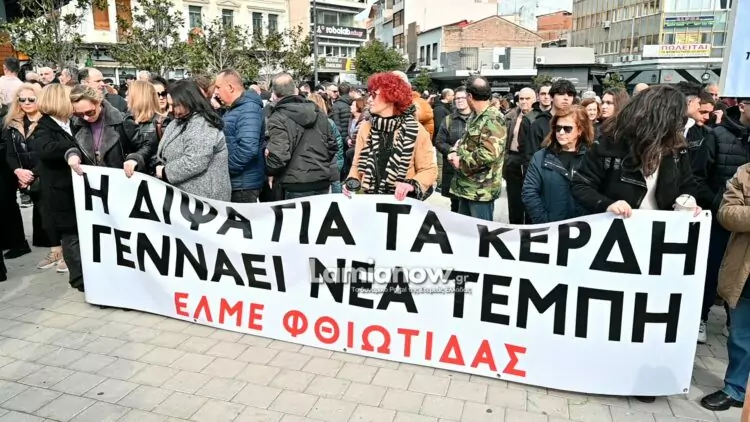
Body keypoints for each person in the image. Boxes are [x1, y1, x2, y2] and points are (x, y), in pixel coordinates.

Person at [571, 84, 700, 219]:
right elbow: (581, 185)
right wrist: (607, 204)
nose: (678, 125)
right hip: (618, 226)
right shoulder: (609, 144)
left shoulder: (676, 146)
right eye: (674, 120)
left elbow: (687, 183)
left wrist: (688, 200)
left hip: (661, 227)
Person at [701, 163, 750, 411]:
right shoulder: (745, 173)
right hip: (745, 273)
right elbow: (726, 213)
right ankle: (735, 389)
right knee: (741, 336)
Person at [344, 72, 437, 200]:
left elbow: (429, 169)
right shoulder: (365, 127)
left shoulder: (416, 130)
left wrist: (411, 185)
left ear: (391, 98)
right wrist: (351, 182)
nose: (369, 100)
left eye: (374, 95)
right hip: (370, 199)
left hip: (402, 203)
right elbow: (356, 165)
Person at [3, 83, 66, 270]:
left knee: (57, 213)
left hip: (47, 174)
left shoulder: (47, 122)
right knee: (44, 215)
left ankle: (67, 253)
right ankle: (56, 251)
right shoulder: (12, 123)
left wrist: (33, 173)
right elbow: (10, 153)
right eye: (22, 99)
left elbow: (46, 152)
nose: (27, 102)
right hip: (26, 177)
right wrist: (18, 171)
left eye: (31, 99)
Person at [29, 84, 82, 290]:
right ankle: (79, 280)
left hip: (74, 189)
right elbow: (46, 150)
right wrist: (73, 147)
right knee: (71, 237)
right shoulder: (44, 127)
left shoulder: (71, 123)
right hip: (59, 192)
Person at [154, 80, 231, 201]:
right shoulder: (178, 121)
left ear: (187, 102)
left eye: (174, 105)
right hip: (186, 197)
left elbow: (195, 161)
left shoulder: (203, 124)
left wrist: (165, 172)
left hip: (205, 198)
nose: (170, 109)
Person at [266, 73, 337, 199]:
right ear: (295, 90)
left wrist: (269, 168)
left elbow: (279, 155)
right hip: (318, 179)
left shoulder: (277, 117)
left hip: (295, 182)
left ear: (274, 94)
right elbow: (332, 144)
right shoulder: (319, 113)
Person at [522, 105, 593, 223]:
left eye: (567, 128)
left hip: (584, 228)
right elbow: (529, 192)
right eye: (558, 128)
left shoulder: (591, 157)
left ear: (580, 130)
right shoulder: (540, 157)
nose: (561, 132)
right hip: (550, 227)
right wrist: (544, 222)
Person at [448, 75, 506, 220]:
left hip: (481, 191)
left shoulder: (493, 118)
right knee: (465, 231)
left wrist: (460, 161)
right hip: (467, 187)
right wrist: (455, 151)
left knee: (480, 232)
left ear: (469, 96)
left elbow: (489, 153)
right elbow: (466, 142)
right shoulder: (476, 116)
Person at [214, 69, 265, 203]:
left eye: (218, 87)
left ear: (230, 87)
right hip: (238, 183)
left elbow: (248, 149)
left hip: (243, 185)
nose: (216, 92)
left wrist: (225, 168)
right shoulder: (235, 109)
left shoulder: (248, 109)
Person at [435, 86, 472, 212]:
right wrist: (451, 150)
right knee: (455, 208)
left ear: (469, 98)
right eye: (457, 98)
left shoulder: (478, 118)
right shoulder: (448, 120)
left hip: (473, 173)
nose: (459, 100)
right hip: (453, 172)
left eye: (462, 98)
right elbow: (439, 142)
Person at [503, 87, 536, 224]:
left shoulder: (538, 118)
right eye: (521, 98)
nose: (524, 101)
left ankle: (529, 228)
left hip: (530, 161)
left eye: (527, 99)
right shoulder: (510, 116)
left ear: (535, 100)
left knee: (530, 197)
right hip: (512, 159)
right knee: (513, 199)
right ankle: (514, 227)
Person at [123, 80, 162, 175]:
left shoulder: (161, 122)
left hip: (151, 175)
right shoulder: (126, 118)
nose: (126, 98)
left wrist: (134, 158)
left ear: (138, 98)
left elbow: (150, 147)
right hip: (131, 174)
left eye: (129, 95)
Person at [309, 93, 344, 193]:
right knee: (335, 194)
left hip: (312, 166)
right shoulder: (328, 122)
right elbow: (338, 143)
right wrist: (338, 163)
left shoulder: (304, 123)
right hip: (331, 163)